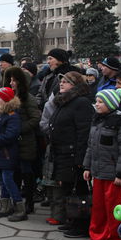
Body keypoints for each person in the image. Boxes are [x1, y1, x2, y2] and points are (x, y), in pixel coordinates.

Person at [82, 88, 121, 240]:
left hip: (113, 175)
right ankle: (98, 236)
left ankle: (117, 239)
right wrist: (87, 166)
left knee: (114, 208)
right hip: (98, 172)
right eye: (96, 101)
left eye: (101, 102)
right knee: (98, 208)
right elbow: (91, 146)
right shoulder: (97, 121)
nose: (97, 104)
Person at [41, 71, 93, 231]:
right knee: (64, 187)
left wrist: (80, 158)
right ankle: (70, 219)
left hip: (71, 152)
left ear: (75, 85)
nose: (61, 84)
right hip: (60, 151)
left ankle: (79, 222)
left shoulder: (81, 102)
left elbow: (83, 131)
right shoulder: (63, 101)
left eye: (66, 82)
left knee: (75, 188)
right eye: (61, 81)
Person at [4, 66, 42, 215]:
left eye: (14, 80)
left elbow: (35, 118)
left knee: (27, 173)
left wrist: (19, 129)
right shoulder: (12, 97)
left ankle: (30, 202)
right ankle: (17, 202)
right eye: (11, 80)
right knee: (15, 174)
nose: (11, 83)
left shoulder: (28, 98)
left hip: (26, 141)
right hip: (13, 141)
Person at [0, 87, 25, 221]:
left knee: (8, 180)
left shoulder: (13, 116)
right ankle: (5, 206)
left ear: (6, 100)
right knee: (2, 181)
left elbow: (9, 137)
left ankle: (19, 208)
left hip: (7, 154)